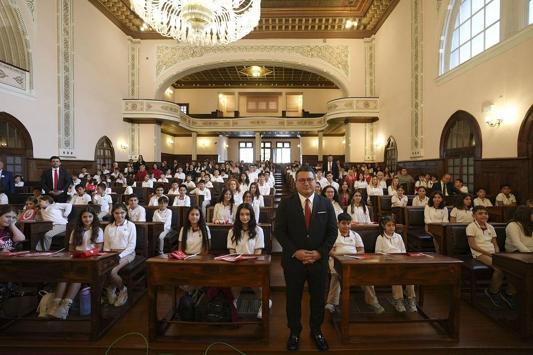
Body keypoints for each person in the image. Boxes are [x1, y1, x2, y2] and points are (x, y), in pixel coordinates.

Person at [275, 165, 337, 352]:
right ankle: (294, 332)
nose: (306, 183)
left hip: (318, 261)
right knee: (293, 298)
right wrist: (295, 251)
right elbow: (279, 231)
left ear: (315, 181)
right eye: (302, 180)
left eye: (309, 179)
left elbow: (332, 231)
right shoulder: (286, 203)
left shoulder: (325, 203)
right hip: (294, 261)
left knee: (318, 298)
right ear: (296, 182)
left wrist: (320, 252)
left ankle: (316, 331)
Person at [47, 207, 103, 319]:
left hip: (90, 260)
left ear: (94, 217)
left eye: (90, 217)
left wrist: (88, 253)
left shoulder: (98, 230)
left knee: (77, 278)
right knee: (64, 277)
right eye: (84, 217)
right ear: (81, 218)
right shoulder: (76, 230)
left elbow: (99, 248)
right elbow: (71, 248)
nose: (87, 219)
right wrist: (77, 253)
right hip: (76, 258)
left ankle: (65, 306)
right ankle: (56, 304)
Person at [325, 213, 384, 314]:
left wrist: (353, 256)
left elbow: (361, 250)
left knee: (366, 276)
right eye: (343, 223)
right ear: (338, 224)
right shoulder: (333, 235)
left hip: (354, 261)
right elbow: (331, 251)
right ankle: (332, 303)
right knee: (336, 275)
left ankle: (373, 302)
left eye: (348, 223)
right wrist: (342, 257)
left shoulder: (355, 235)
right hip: (336, 261)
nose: (346, 226)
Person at [467, 206, 516, 308]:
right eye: (480, 213)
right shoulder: (471, 227)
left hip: (493, 254)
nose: (484, 215)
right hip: (480, 254)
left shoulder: (491, 227)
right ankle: (492, 292)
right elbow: (473, 245)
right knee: (499, 269)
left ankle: (509, 293)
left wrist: (497, 254)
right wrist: (489, 254)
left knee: (513, 268)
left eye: (486, 213)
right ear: (474, 215)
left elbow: (495, 243)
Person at [227, 203, 269, 319]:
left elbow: (258, 251)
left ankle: (264, 302)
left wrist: (250, 266)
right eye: (241, 214)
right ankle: (234, 302)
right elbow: (231, 250)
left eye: (247, 214)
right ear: (238, 216)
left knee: (254, 280)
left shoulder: (258, 230)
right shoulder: (232, 231)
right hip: (237, 264)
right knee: (234, 280)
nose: (244, 217)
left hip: (253, 264)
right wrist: (237, 263)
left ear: (251, 215)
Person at [375, 216, 417, 312]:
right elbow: (377, 254)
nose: (391, 227)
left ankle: (411, 299)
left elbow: (403, 251)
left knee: (410, 276)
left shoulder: (398, 237)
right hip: (387, 264)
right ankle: (398, 300)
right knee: (396, 275)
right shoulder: (380, 238)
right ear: (383, 226)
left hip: (400, 261)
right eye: (389, 225)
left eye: (393, 225)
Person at [103, 204, 137, 307]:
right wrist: (107, 256)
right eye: (116, 213)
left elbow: (132, 246)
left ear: (126, 213)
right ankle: (111, 288)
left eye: (122, 213)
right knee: (102, 269)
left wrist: (119, 256)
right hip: (111, 253)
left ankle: (122, 289)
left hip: (127, 253)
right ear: (113, 214)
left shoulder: (130, 225)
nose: (119, 215)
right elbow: (106, 245)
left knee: (112, 271)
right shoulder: (109, 227)